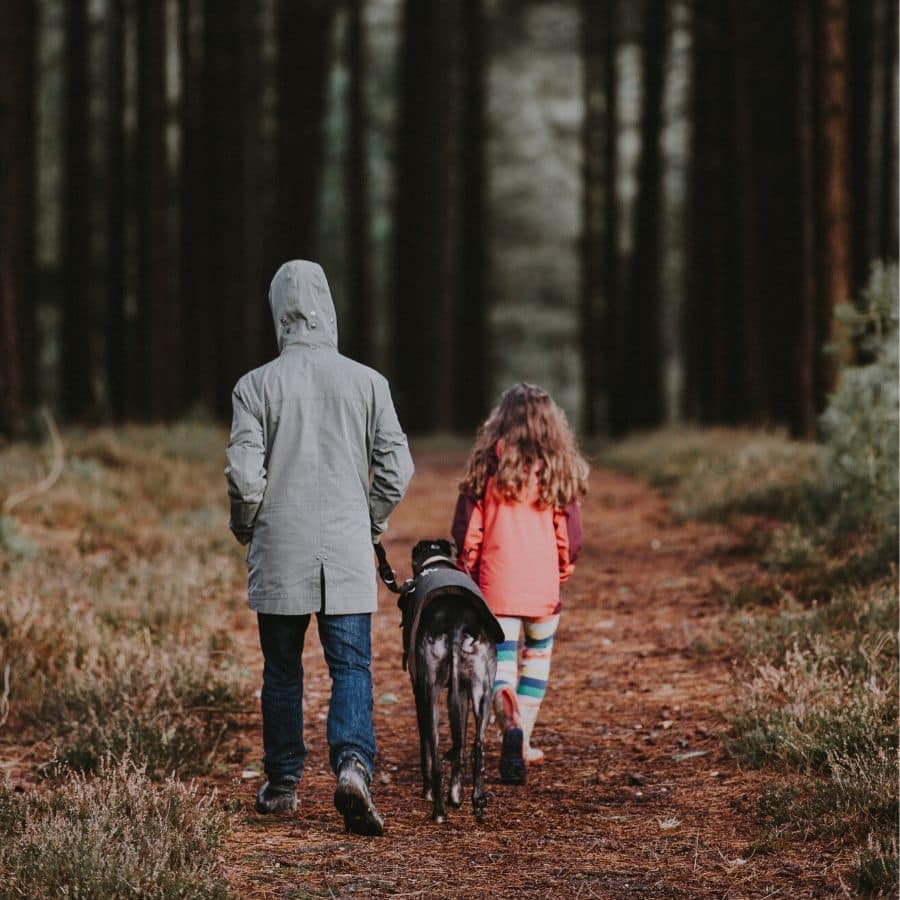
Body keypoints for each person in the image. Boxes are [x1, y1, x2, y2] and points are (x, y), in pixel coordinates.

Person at [225, 260, 414, 835]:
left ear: (278, 311)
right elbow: (396, 468)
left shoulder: (255, 385)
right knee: (352, 666)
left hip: (279, 547)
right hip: (349, 548)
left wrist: (247, 526)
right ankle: (353, 766)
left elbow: (244, 477)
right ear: (329, 308)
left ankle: (282, 785)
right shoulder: (368, 382)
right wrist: (371, 521)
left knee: (281, 672)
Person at [451, 383, 587, 784]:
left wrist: (468, 571)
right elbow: (570, 536)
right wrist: (562, 570)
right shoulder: (558, 470)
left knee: (502, 664)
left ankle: (508, 723)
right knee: (537, 661)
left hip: (497, 587)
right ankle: (523, 740)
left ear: (501, 421)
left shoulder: (487, 469)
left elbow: (468, 533)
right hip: (544, 586)